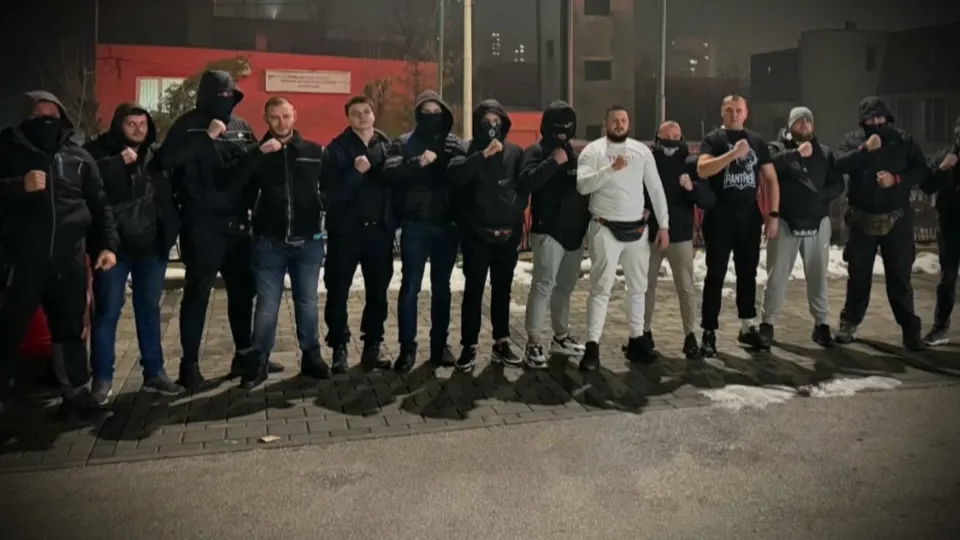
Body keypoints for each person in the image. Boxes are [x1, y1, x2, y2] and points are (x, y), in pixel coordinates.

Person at [158, 69, 280, 390]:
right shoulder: (187, 125)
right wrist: (205, 138)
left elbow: (252, 168)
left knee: (243, 291)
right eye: (219, 95)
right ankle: (189, 366)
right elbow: (166, 162)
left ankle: (244, 354)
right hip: (202, 225)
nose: (224, 100)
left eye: (229, 95)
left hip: (238, 224)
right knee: (197, 294)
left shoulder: (241, 126)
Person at [0, 91, 119, 416]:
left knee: (70, 329)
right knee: (7, 330)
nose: (46, 121)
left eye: (52, 115)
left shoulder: (78, 157)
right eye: (38, 115)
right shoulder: (7, 151)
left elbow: (99, 205)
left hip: (68, 260)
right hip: (20, 259)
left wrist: (107, 246)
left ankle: (75, 393)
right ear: (24, 118)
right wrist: (17, 185)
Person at [221, 97, 329, 389]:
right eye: (275, 117)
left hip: (308, 242)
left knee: (307, 302)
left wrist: (321, 206)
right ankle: (259, 360)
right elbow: (234, 184)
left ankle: (311, 355)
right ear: (266, 119)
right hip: (269, 242)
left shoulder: (314, 151)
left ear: (295, 115)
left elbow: (330, 186)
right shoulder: (256, 153)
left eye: (286, 116)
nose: (282, 122)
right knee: (267, 305)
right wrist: (257, 155)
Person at [84, 103, 183, 403]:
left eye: (143, 124)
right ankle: (102, 379)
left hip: (151, 247)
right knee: (107, 312)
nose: (138, 129)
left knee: (149, 310)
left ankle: (154, 372)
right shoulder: (98, 152)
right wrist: (116, 163)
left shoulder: (155, 155)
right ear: (118, 125)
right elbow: (85, 183)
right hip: (113, 250)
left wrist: (169, 231)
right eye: (131, 124)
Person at [576, 105, 670, 371]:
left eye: (624, 120)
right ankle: (592, 345)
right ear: (605, 124)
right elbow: (582, 186)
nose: (619, 124)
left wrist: (664, 225)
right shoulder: (593, 151)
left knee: (638, 287)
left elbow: (656, 188)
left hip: (637, 230)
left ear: (629, 123)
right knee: (600, 288)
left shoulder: (641, 151)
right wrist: (611, 169)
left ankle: (637, 339)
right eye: (614, 120)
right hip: (605, 227)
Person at [833, 97, 931, 350]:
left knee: (899, 277)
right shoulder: (853, 140)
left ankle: (910, 331)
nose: (877, 122)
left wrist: (896, 179)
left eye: (880, 118)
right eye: (871, 119)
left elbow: (921, 170)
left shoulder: (902, 139)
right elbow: (839, 165)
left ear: (888, 117)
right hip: (862, 218)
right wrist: (864, 149)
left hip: (896, 218)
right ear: (863, 121)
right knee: (858, 275)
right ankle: (849, 323)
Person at [383, 90, 465, 372]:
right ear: (418, 115)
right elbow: (389, 170)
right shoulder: (405, 142)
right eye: (425, 112)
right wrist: (417, 162)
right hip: (415, 223)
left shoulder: (454, 143)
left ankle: (440, 345)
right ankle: (407, 347)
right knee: (410, 287)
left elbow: (466, 175)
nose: (431, 117)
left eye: (436, 112)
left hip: (446, 225)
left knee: (442, 288)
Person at [696, 95, 780, 357]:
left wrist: (773, 214)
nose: (734, 114)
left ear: (746, 113)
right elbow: (703, 169)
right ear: (722, 113)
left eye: (739, 110)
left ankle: (747, 326)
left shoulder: (756, 140)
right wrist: (733, 154)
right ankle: (709, 331)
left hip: (749, 218)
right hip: (719, 217)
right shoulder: (713, 139)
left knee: (748, 274)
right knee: (715, 275)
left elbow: (771, 179)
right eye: (730, 110)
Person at [448, 100, 526, 372]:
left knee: (502, 289)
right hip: (476, 233)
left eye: (496, 120)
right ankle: (468, 345)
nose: (492, 125)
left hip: (507, 232)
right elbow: (456, 177)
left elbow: (524, 184)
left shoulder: (515, 151)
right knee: (474, 290)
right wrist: (482, 155)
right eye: (486, 121)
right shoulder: (467, 149)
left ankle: (501, 342)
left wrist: (515, 205)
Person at [759, 107, 845, 348]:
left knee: (818, 276)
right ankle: (767, 323)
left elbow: (838, 184)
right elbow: (769, 167)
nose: (804, 124)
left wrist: (821, 195)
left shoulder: (824, 152)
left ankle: (821, 324)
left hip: (817, 222)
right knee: (776, 276)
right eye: (799, 120)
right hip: (785, 221)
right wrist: (796, 154)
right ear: (790, 125)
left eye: (808, 120)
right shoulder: (776, 148)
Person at [321, 95, 395, 373]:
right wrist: (355, 173)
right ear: (348, 118)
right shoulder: (336, 150)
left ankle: (372, 346)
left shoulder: (386, 147)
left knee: (378, 292)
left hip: (379, 232)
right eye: (356, 113)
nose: (362, 117)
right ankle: (339, 346)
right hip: (346, 233)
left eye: (366, 111)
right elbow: (329, 195)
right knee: (337, 290)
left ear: (373, 114)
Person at [518, 100, 590, 369]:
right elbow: (526, 182)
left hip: (574, 233)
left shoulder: (574, 153)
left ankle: (560, 337)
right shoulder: (536, 151)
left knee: (565, 288)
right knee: (543, 286)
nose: (563, 129)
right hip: (548, 230)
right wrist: (551, 162)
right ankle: (533, 342)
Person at [641, 121, 715, 360]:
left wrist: (692, 188)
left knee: (685, 288)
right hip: (651, 236)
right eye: (667, 136)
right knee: (645, 287)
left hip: (680, 234)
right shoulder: (648, 161)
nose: (672, 140)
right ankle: (643, 333)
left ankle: (690, 335)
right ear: (658, 137)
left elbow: (708, 199)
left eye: (676, 136)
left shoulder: (690, 163)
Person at [921, 117, 960, 346]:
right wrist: (941, 169)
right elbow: (926, 185)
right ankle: (940, 328)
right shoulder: (944, 155)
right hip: (949, 227)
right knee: (947, 280)